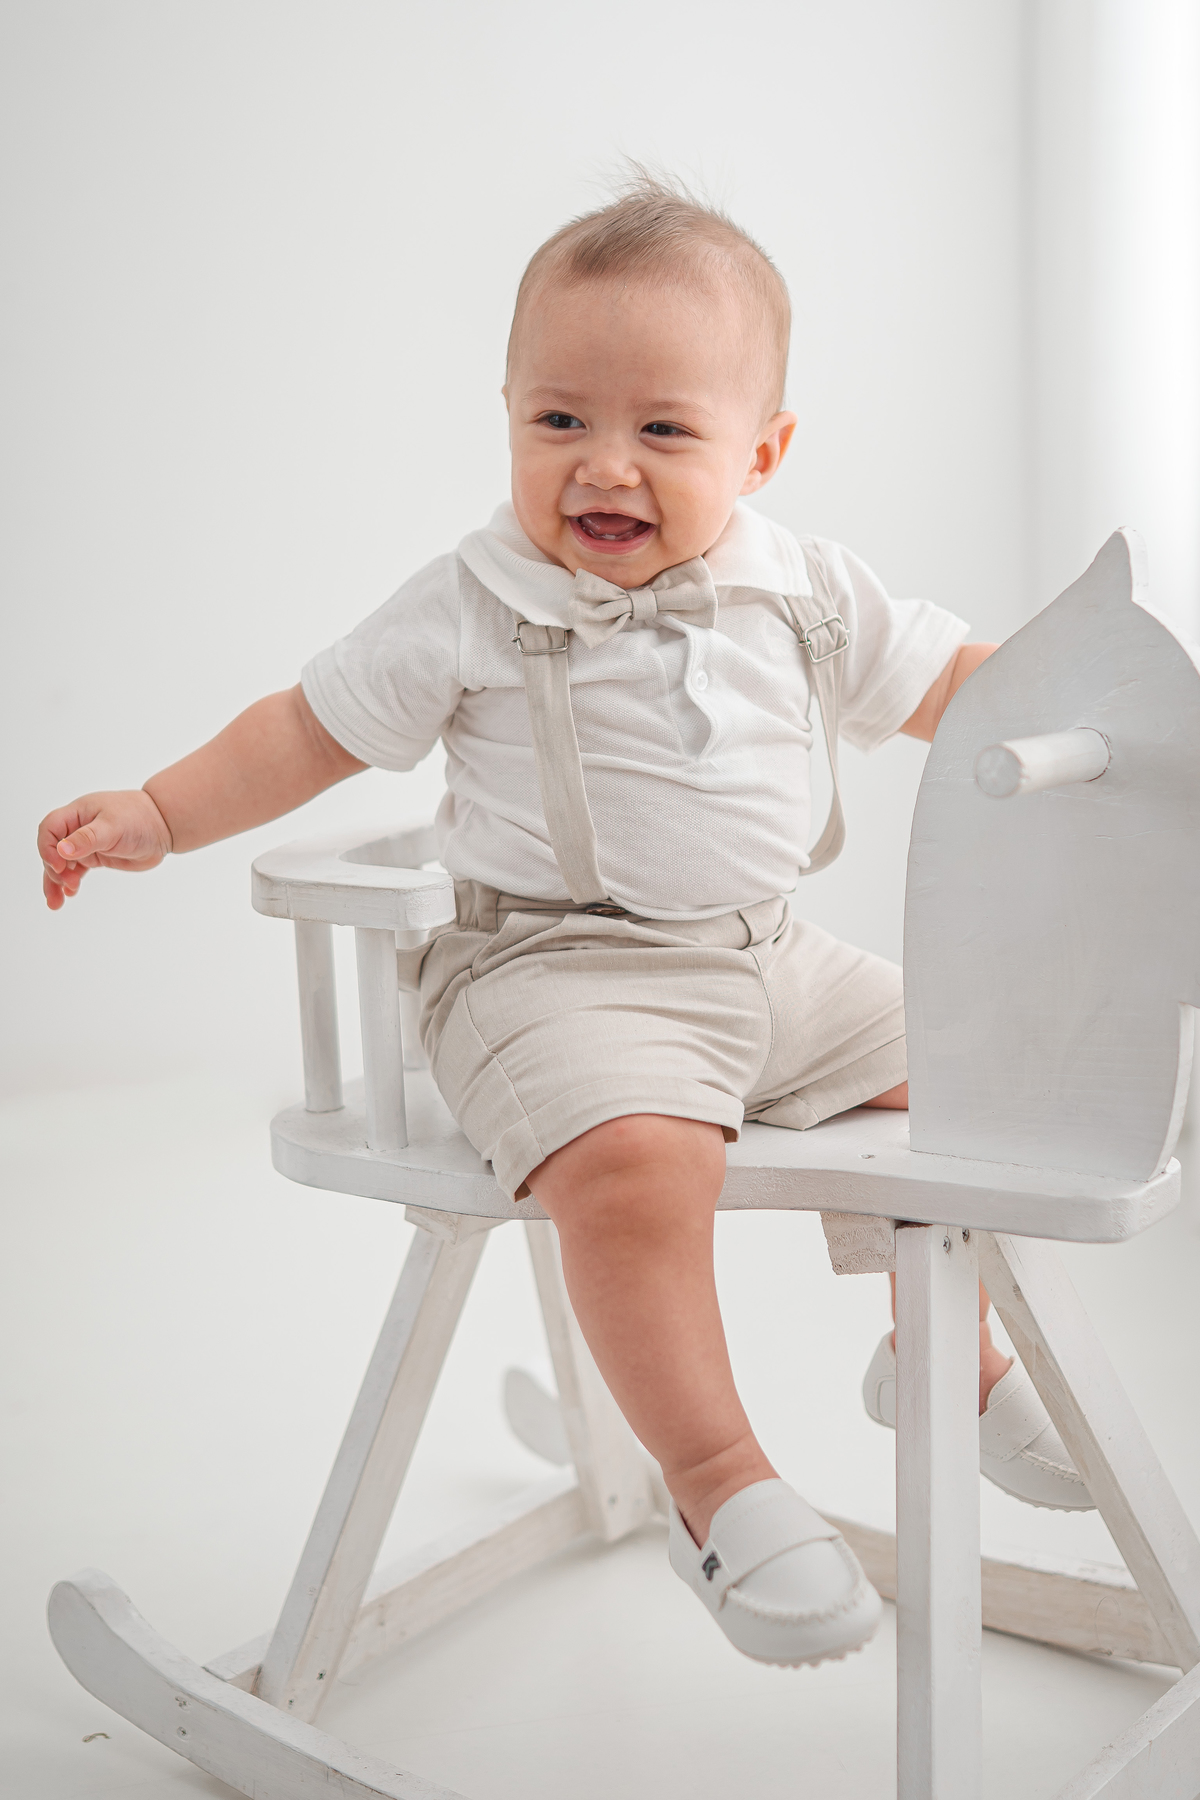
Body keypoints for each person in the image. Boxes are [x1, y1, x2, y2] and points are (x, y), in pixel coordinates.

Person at [36, 174, 1091, 1671]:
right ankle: (719, 1484)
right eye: (559, 419)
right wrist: (160, 809)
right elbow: (308, 727)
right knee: (637, 1165)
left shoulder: (800, 588)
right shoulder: (473, 597)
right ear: (510, 418)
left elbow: (960, 684)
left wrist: (1106, 713)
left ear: (762, 451)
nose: (605, 464)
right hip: (550, 972)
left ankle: (945, 1358)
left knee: (991, 1068)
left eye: (663, 428)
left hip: (767, 959)